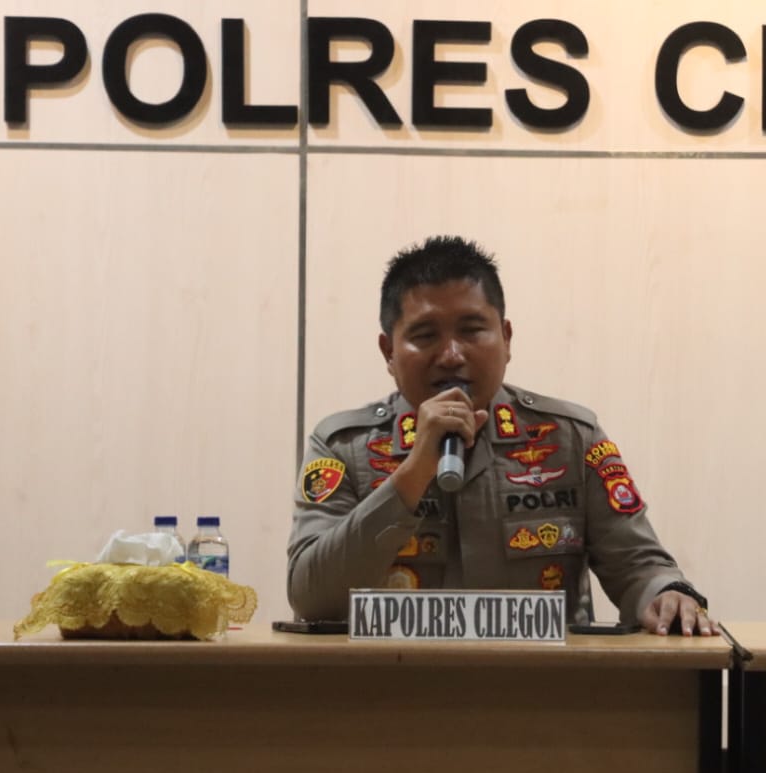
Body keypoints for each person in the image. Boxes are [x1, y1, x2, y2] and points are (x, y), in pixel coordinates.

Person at [287, 236, 713, 636]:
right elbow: (311, 597)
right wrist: (412, 474)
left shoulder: (570, 439)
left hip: (542, 685)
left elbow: (638, 566)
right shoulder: (343, 447)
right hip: (392, 686)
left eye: (472, 330)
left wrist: (666, 592)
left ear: (506, 339)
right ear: (389, 352)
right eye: (425, 335)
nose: (451, 355)